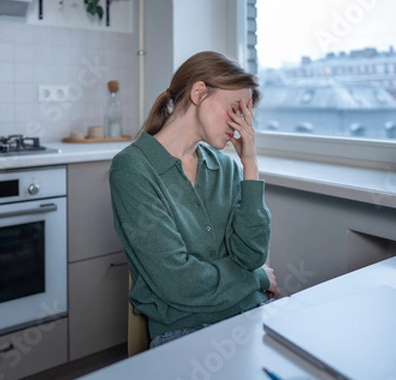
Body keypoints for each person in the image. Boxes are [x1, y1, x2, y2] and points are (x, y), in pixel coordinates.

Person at [109, 51, 280, 349]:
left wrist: (250, 166)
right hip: (185, 331)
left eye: (247, 115)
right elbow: (179, 283)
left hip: (252, 313)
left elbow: (251, 256)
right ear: (199, 92)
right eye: (235, 109)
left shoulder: (226, 167)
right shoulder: (132, 169)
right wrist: (257, 279)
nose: (242, 125)